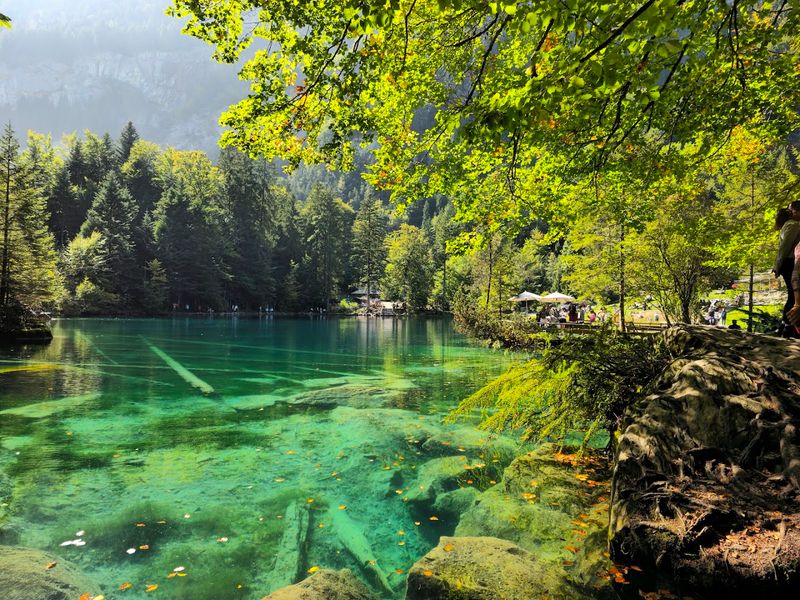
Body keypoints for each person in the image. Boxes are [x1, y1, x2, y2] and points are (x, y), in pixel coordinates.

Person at [772, 206, 800, 333]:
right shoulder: (792, 225)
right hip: (789, 262)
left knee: (792, 293)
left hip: (788, 262)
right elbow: (785, 247)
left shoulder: (789, 225)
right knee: (793, 294)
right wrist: (777, 265)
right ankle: (787, 325)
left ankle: (786, 325)